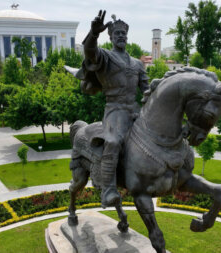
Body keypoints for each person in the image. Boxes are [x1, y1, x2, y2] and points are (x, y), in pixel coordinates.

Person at [73, 10, 149, 207]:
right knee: (114, 142)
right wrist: (94, 34)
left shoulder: (138, 64)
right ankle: (108, 189)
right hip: (114, 112)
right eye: (117, 34)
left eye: (124, 33)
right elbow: (90, 52)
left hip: (135, 112)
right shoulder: (105, 57)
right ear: (111, 37)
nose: (121, 36)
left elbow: (147, 92)